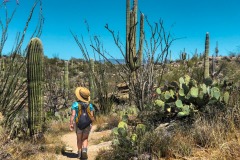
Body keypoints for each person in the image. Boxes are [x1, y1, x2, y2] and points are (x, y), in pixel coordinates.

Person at [69, 86, 95, 159]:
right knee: (85, 138)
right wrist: (91, 124)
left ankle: (79, 154)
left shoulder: (75, 104)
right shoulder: (90, 105)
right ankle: (84, 150)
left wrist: (71, 123)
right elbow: (91, 116)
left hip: (78, 124)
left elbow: (73, 115)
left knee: (79, 139)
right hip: (87, 124)